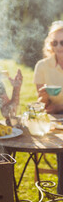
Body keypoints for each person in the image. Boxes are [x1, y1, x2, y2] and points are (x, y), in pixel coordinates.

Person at [33, 20, 63, 194]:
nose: (58, 46)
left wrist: (56, 107)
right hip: (53, 120)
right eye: (54, 42)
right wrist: (44, 98)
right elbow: (44, 106)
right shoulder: (42, 66)